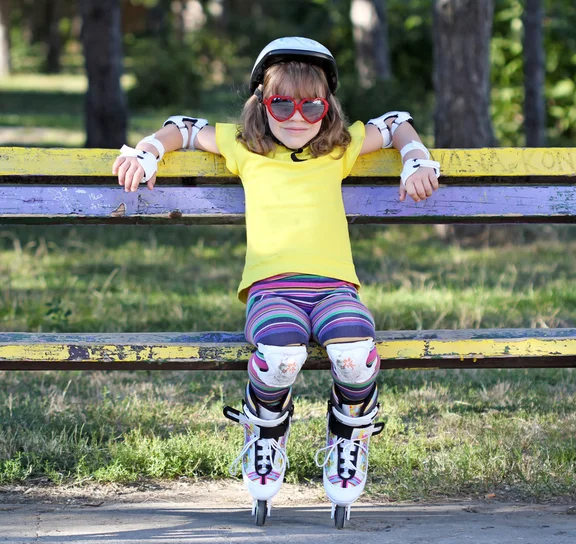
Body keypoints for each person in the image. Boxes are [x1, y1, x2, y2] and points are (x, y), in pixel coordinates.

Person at [112, 37, 440, 525]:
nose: (296, 116)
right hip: (272, 290)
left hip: (334, 290)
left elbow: (393, 123)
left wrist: (415, 156)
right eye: (281, 103)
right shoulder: (244, 147)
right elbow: (183, 126)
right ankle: (266, 427)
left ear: (326, 108)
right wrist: (147, 152)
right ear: (260, 103)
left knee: (356, 355)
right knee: (280, 355)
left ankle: (349, 432)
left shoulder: (339, 149)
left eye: (311, 105)